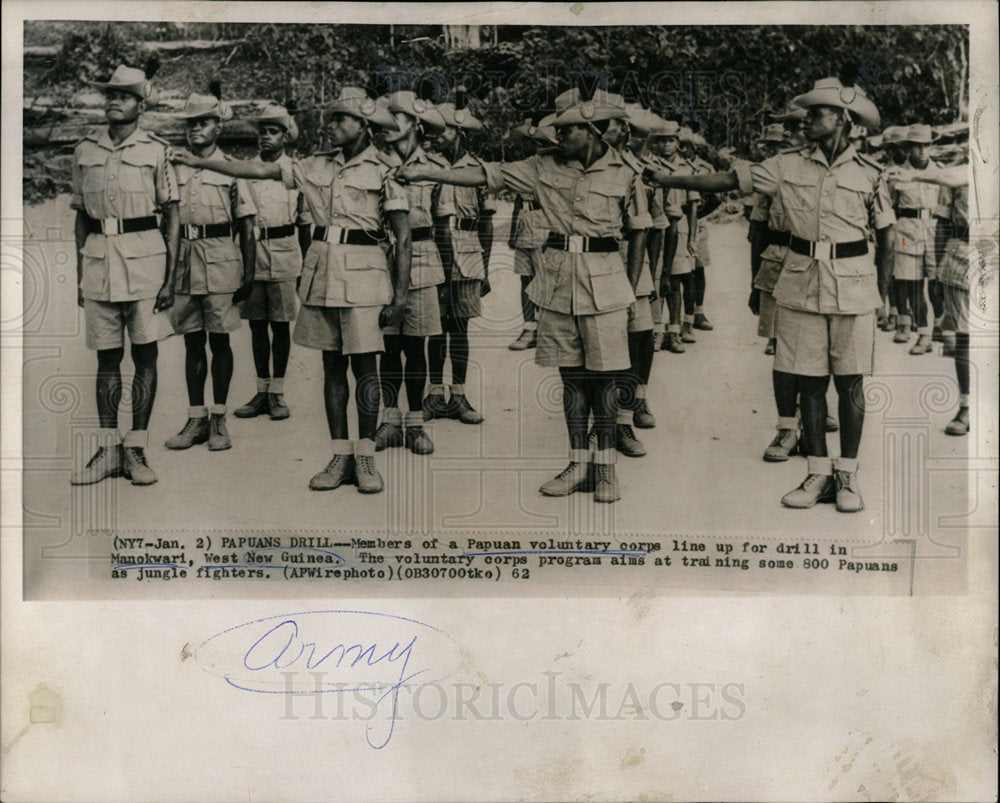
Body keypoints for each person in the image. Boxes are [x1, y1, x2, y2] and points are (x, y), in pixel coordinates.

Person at [645, 70, 894, 512]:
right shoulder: (786, 165)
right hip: (798, 284)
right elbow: (725, 180)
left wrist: (886, 296)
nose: (805, 120)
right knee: (810, 384)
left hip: (854, 289)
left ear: (841, 119)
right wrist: (666, 181)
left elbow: (888, 237)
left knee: (851, 385)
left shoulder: (872, 173)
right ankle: (817, 473)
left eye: (816, 113)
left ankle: (847, 477)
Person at [397, 92, 651, 503]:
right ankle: (577, 462)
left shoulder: (627, 172)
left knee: (604, 379)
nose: (557, 136)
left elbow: (640, 230)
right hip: (555, 286)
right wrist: (429, 173)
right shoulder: (540, 166)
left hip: (606, 285)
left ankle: (605, 469)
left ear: (590, 131)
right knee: (570, 377)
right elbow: (484, 175)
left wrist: (632, 289)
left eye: (566, 130)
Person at [172, 86, 410, 493]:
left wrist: (401, 296)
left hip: (367, 278)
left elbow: (403, 238)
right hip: (323, 276)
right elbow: (259, 171)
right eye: (330, 118)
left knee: (366, 370)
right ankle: (340, 455)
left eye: (340, 119)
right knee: (332, 369)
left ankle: (366, 459)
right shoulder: (314, 165)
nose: (330, 126)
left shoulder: (388, 168)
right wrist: (202, 163)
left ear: (364, 127)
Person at [70, 62, 178, 486]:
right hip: (99, 262)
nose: (113, 102)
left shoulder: (157, 150)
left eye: (123, 96)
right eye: (110, 95)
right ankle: (107, 448)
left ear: (141, 105)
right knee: (107, 357)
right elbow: (80, 216)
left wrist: (170, 277)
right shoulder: (85, 149)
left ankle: (135, 448)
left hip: (146, 262)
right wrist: (81, 268)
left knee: (145, 354)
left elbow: (172, 215)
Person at [164, 88, 256, 454]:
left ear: (218, 126)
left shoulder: (232, 168)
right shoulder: (174, 168)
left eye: (202, 122)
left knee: (220, 340)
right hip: (185, 260)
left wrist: (249, 276)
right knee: (191, 341)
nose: (195, 130)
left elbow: (247, 227)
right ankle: (195, 417)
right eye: (190, 124)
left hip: (221, 262)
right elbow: (165, 223)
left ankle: (219, 417)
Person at [373, 91, 448, 455]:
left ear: (416, 126)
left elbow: (443, 226)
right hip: (380, 259)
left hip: (423, 260)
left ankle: (415, 423)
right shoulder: (373, 162)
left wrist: (448, 275)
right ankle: (389, 420)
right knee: (387, 346)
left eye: (397, 119)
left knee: (416, 345)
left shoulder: (435, 167)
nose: (388, 126)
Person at [233, 105, 310, 422]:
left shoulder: (294, 171)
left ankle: (277, 392)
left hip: (284, 251)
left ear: (286, 136)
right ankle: (261, 390)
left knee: (279, 325)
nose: (266, 137)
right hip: (251, 252)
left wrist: (306, 266)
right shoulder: (245, 171)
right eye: (262, 131)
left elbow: (304, 222)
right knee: (256, 326)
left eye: (273, 131)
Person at [423, 89, 494, 425]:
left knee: (460, 327)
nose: (437, 136)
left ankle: (460, 394)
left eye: (445, 130)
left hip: (467, 255)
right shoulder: (425, 165)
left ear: (460, 133)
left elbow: (486, 222)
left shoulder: (477, 169)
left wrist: (487, 270)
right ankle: (435, 394)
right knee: (435, 327)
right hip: (433, 254)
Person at [888, 124, 944, 354]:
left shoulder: (940, 172)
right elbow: (889, 208)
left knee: (937, 285)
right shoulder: (897, 174)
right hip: (907, 233)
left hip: (934, 231)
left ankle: (941, 326)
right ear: (908, 148)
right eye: (916, 146)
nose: (922, 151)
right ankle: (923, 334)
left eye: (926, 145)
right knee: (913, 286)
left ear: (931, 147)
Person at [507, 116, 558, 351]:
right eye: (528, 141)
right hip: (525, 225)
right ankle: (529, 327)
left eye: (535, 141)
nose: (530, 146)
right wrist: (511, 230)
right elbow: (519, 199)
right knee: (524, 279)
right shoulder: (527, 165)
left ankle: (546, 329)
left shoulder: (554, 166)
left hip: (544, 224)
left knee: (545, 280)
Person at [647, 119, 698, 353]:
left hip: (680, 227)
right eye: (661, 140)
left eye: (671, 140)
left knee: (675, 281)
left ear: (678, 142)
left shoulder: (686, 169)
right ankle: (657, 330)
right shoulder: (648, 166)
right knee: (655, 280)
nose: (666, 145)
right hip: (655, 229)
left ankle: (674, 331)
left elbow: (694, 206)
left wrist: (692, 238)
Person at [682, 129, 719, 331]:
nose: (682, 150)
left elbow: (715, 199)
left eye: (686, 146)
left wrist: (697, 217)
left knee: (698, 269)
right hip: (676, 223)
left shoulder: (704, 169)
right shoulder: (672, 166)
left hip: (698, 226)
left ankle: (699, 312)